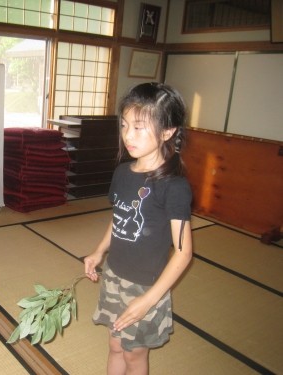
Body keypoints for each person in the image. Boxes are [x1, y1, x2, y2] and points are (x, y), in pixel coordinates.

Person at [84, 82, 193, 374]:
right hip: (114, 276)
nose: (127, 135)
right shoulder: (122, 173)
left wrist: (149, 300)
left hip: (146, 287)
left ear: (168, 131)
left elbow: (183, 254)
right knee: (115, 346)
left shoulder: (175, 187)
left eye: (139, 127)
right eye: (124, 125)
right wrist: (97, 252)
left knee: (135, 356)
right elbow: (118, 218)